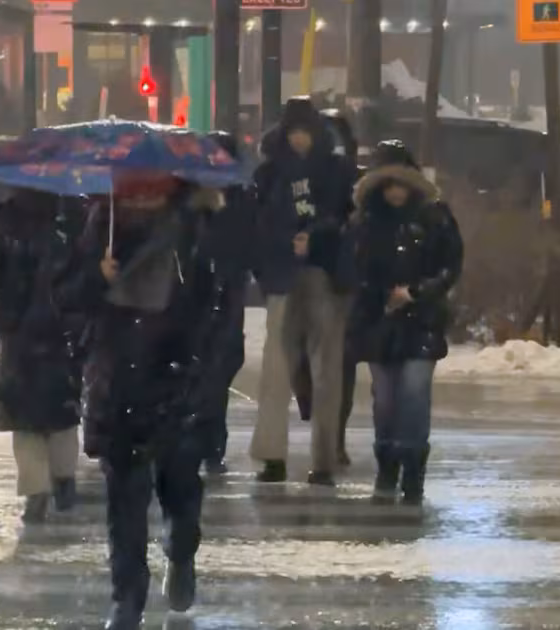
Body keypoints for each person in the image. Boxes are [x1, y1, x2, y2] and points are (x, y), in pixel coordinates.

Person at [58, 174, 217, 629]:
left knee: (181, 488)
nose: (142, 198)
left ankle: (181, 552)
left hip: (177, 379)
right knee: (124, 501)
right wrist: (96, 277)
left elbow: (217, 308)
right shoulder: (97, 228)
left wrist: (200, 368)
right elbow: (65, 296)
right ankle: (127, 598)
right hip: (116, 381)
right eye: (135, 190)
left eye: (151, 190)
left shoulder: (192, 233)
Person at [347, 140, 463, 505]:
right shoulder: (365, 223)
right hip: (379, 322)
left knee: (414, 393)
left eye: (401, 184)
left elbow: (450, 264)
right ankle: (387, 464)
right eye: (388, 185)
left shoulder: (435, 217)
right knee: (385, 399)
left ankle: (413, 470)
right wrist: (380, 296)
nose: (396, 192)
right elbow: (352, 269)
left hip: (422, 320)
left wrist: (416, 291)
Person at [250, 97, 357, 486]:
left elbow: (347, 217)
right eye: (294, 131)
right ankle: (272, 455)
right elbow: (258, 223)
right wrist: (282, 245)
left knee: (326, 370)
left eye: (305, 131)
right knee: (277, 369)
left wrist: (315, 236)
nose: (299, 139)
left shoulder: (336, 171)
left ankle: (324, 459)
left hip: (323, 274)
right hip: (282, 274)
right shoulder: (269, 174)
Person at [0, 189, 83, 523]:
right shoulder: (73, 218)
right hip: (55, 333)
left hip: (23, 334)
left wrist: (3, 318)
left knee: (29, 419)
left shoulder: (1, 221)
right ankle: (59, 480)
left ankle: (41, 488)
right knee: (61, 415)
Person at [292, 111, 362, 468]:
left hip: (338, 274)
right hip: (301, 270)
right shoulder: (292, 173)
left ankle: (334, 437)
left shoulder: (348, 176)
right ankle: (317, 414)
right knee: (303, 357)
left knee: (338, 362)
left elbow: (355, 220)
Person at [191, 131, 258, 476]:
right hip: (195, 294)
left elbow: (248, 242)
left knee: (217, 369)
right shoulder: (190, 201)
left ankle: (212, 442)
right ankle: (201, 440)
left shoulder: (243, 200)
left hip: (227, 292)